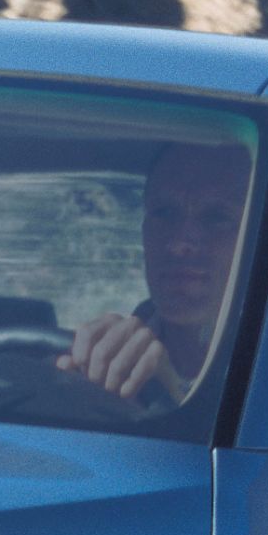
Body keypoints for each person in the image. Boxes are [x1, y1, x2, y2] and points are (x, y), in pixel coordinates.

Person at [59, 138, 253, 416]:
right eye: (164, 213)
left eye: (217, 218)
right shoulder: (90, 367)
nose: (179, 244)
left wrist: (167, 397)